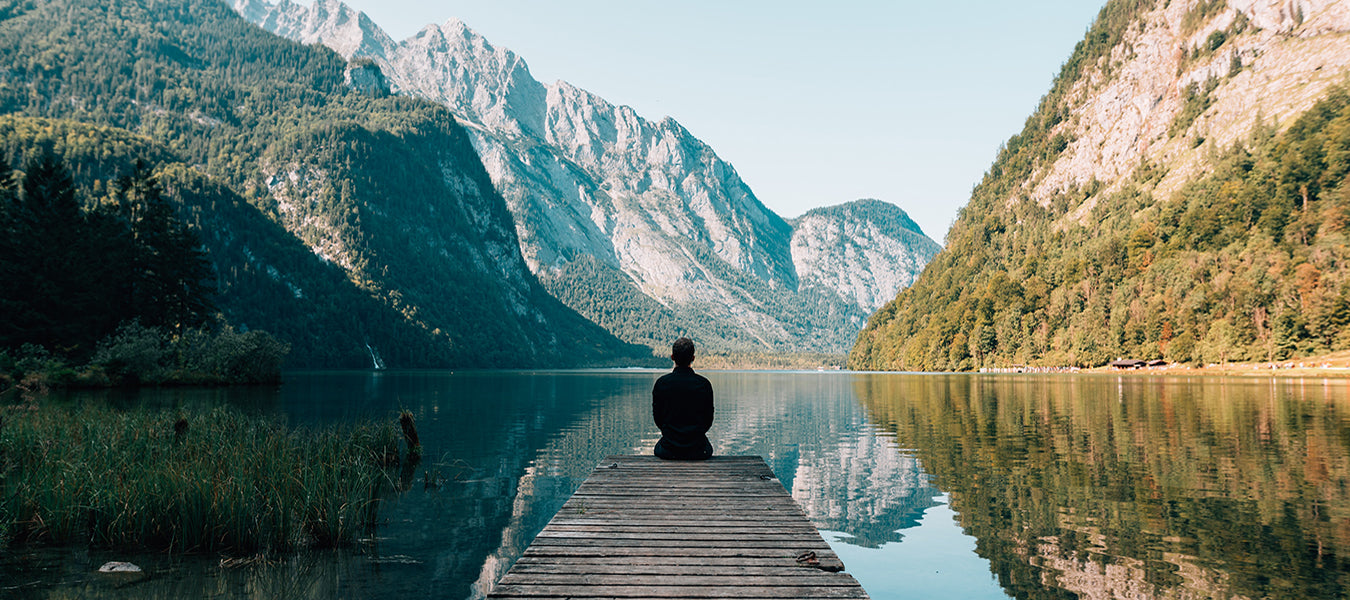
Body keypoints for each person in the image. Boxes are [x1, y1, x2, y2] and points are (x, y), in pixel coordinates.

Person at [651, 337, 714, 460]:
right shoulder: (704, 384)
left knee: (659, 446)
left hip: (668, 450)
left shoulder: (661, 383)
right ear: (693, 358)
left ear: (672, 357)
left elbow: (658, 418)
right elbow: (708, 420)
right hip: (699, 450)